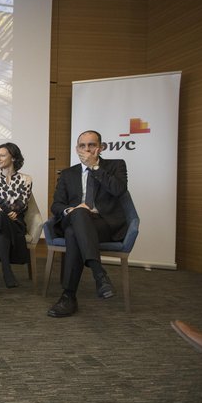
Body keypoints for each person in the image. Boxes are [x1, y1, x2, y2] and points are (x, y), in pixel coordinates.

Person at [47, 130, 128, 317]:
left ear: (100, 148)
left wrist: (95, 168)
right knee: (78, 218)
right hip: (77, 220)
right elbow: (56, 205)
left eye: (91, 145)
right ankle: (99, 274)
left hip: (104, 224)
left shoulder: (116, 166)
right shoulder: (68, 174)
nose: (87, 149)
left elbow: (118, 190)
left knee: (72, 233)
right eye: (82, 146)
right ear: (77, 149)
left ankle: (68, 297)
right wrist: (72, 210)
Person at [0, 143, 32, 297]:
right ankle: (6, 271)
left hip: (15, 223)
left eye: (2, 155)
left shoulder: (26, 179)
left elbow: (21, 204)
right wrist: (5, 210)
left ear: (13, 157)